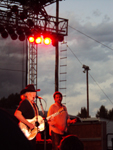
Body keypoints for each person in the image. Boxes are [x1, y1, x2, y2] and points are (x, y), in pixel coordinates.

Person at [14, 84, 40, 150]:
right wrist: (28, 124)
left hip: (32, 132)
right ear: (27, 94)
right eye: (33, 92)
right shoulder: (25, 102)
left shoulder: (34, 104)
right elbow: (17, 114)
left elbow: (34, 118)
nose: (34, 94)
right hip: (26, 131)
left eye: (35, 92)